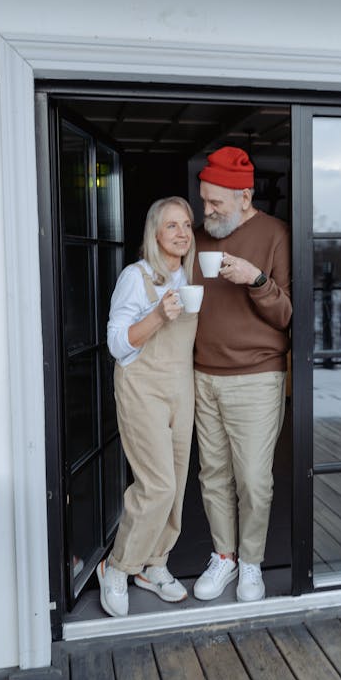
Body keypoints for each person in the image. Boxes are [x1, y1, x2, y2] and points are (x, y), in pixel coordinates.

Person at [192, 146, 292, 603]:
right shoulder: (199, 236)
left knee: (253, 478)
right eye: (204, 200)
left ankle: (252, 562)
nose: (206, 210)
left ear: (245, 196)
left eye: (215, 202)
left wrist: (256, 280)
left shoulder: (275, 235)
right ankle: (225, 558)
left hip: (256, 375)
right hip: (201, 374)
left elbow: (287, 314)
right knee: (212, 474)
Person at [98, 196, 198, 618]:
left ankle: (154, 563)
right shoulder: (135, 277)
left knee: (175, 483)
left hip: (181, 385)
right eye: (172, 225)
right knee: (156, 484)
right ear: (155, 233)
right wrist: (158, 315)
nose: (182, 233)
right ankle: (117, 566)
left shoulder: (191, 277)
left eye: (187, 225)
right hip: (142, 387)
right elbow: (117, 344)